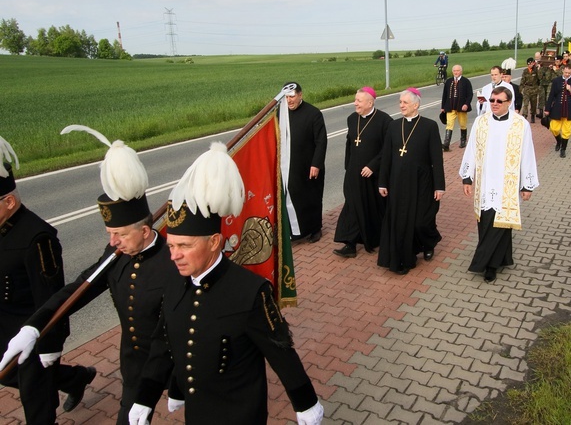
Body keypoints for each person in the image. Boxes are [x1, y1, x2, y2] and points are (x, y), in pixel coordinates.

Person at [128, 142, 324, 425]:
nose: (174, 256)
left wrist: (305, 402)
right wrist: (146, 396)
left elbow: (279, 350)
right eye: (171, 245)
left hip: (240, 412)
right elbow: (164, 341)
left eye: (184, 245)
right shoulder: (174, 281)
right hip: (197, 412)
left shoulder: (249, 291)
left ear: (214, 242)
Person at [0, 127, 175, 425]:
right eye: (109, 234)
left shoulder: (174, 264)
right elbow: (78, 288)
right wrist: (35, 326)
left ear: (145, 232)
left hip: (176, 361)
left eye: (119, 234)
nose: (112, 242)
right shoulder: (114, 256)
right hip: (135, 364)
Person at [0, 137, 95, 424]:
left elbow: (52, 298)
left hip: (32, 333)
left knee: (37, 404)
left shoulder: (37, 238)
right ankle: (76, 378)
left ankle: (62, 379)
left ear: (9, 201)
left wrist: (49, 347)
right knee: (8, 377)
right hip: (4, 329)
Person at [459, 87, 539, 282]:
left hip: (507, 185)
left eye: (498, 101)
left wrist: (526, 185)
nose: (494, 103)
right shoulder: (481, 121)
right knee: (486, 222)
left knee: (502, 225)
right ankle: (502, 258)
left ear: (509, 103)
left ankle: (489, 265)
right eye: (492, 100)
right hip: (485, 183)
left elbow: (527, 154)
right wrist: (467, 177)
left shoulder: (520, 124)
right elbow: (471, 149)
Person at [378, 88, 445, 275]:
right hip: (398, 182)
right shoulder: (393, 126)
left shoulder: (429, 126)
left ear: (416, 105)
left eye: (405, 103)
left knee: (421, 221)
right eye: (400, 102)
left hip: (422, 182)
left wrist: (439, 186)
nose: (401, 105)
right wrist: (382, 182)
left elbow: (436, 159)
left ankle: (430, 242)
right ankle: (407, 253)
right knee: (401, 221)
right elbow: (386, 157)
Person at [333, 87, 393, 258]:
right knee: (351, 206)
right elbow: (349, 144)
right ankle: (349, 243)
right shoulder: (352, 119)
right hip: (353, 173)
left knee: (372, 207)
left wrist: (373, 166)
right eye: (355, 100)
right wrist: (348, 167)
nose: (355, 103)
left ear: (370, 102)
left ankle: (376, 238)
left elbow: (387, 149)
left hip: (373, 175)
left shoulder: (384, 121)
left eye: (358, 100)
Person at [282, 82, 327, 243]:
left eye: (292, 96)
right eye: (286, 97)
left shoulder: (314, 114)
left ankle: (315, 229)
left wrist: (316, 164)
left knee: (311, 198)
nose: (289, 101)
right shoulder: (281, 115)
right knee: (292, 198)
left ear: (300, 95)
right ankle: (294, 231)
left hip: (309, 165)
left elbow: (321, 141)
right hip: (289, 166)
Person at [544, 64, 571, 158]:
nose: (567, 74)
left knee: (567, 130)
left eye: (569, 73)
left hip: (569, 108)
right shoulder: (556, 81)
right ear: (562, 71)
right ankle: (559, 141)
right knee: (554, 128)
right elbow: (551, 95)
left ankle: (563, 149)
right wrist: (547, 109)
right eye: (565, 72)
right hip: (557, 107)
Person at [440, 64, 473, 150]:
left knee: (462, 124)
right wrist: (443, 107)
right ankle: (446, 144)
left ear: (461, 71)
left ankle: (463, 141)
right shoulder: (448, 81)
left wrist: (466, 104)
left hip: (461, 108)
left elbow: (470, 95)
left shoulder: (466, 81)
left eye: (457, 71)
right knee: (449, 124)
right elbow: (445, 95)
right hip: (450, 107)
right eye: (454, 71)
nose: (456, 72)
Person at [519, 57, 543, 123]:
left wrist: (538, 69)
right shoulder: (525, 71)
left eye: (532, 63)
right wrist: (520, 89)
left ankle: (533, 115)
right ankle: (525, 115)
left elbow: (540, 77)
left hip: (534, 89)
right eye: (529, 64)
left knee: (533, 104)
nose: (530, 65)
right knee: (525, 104)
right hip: (527, 89)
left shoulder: (536, 70)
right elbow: (522, 80)